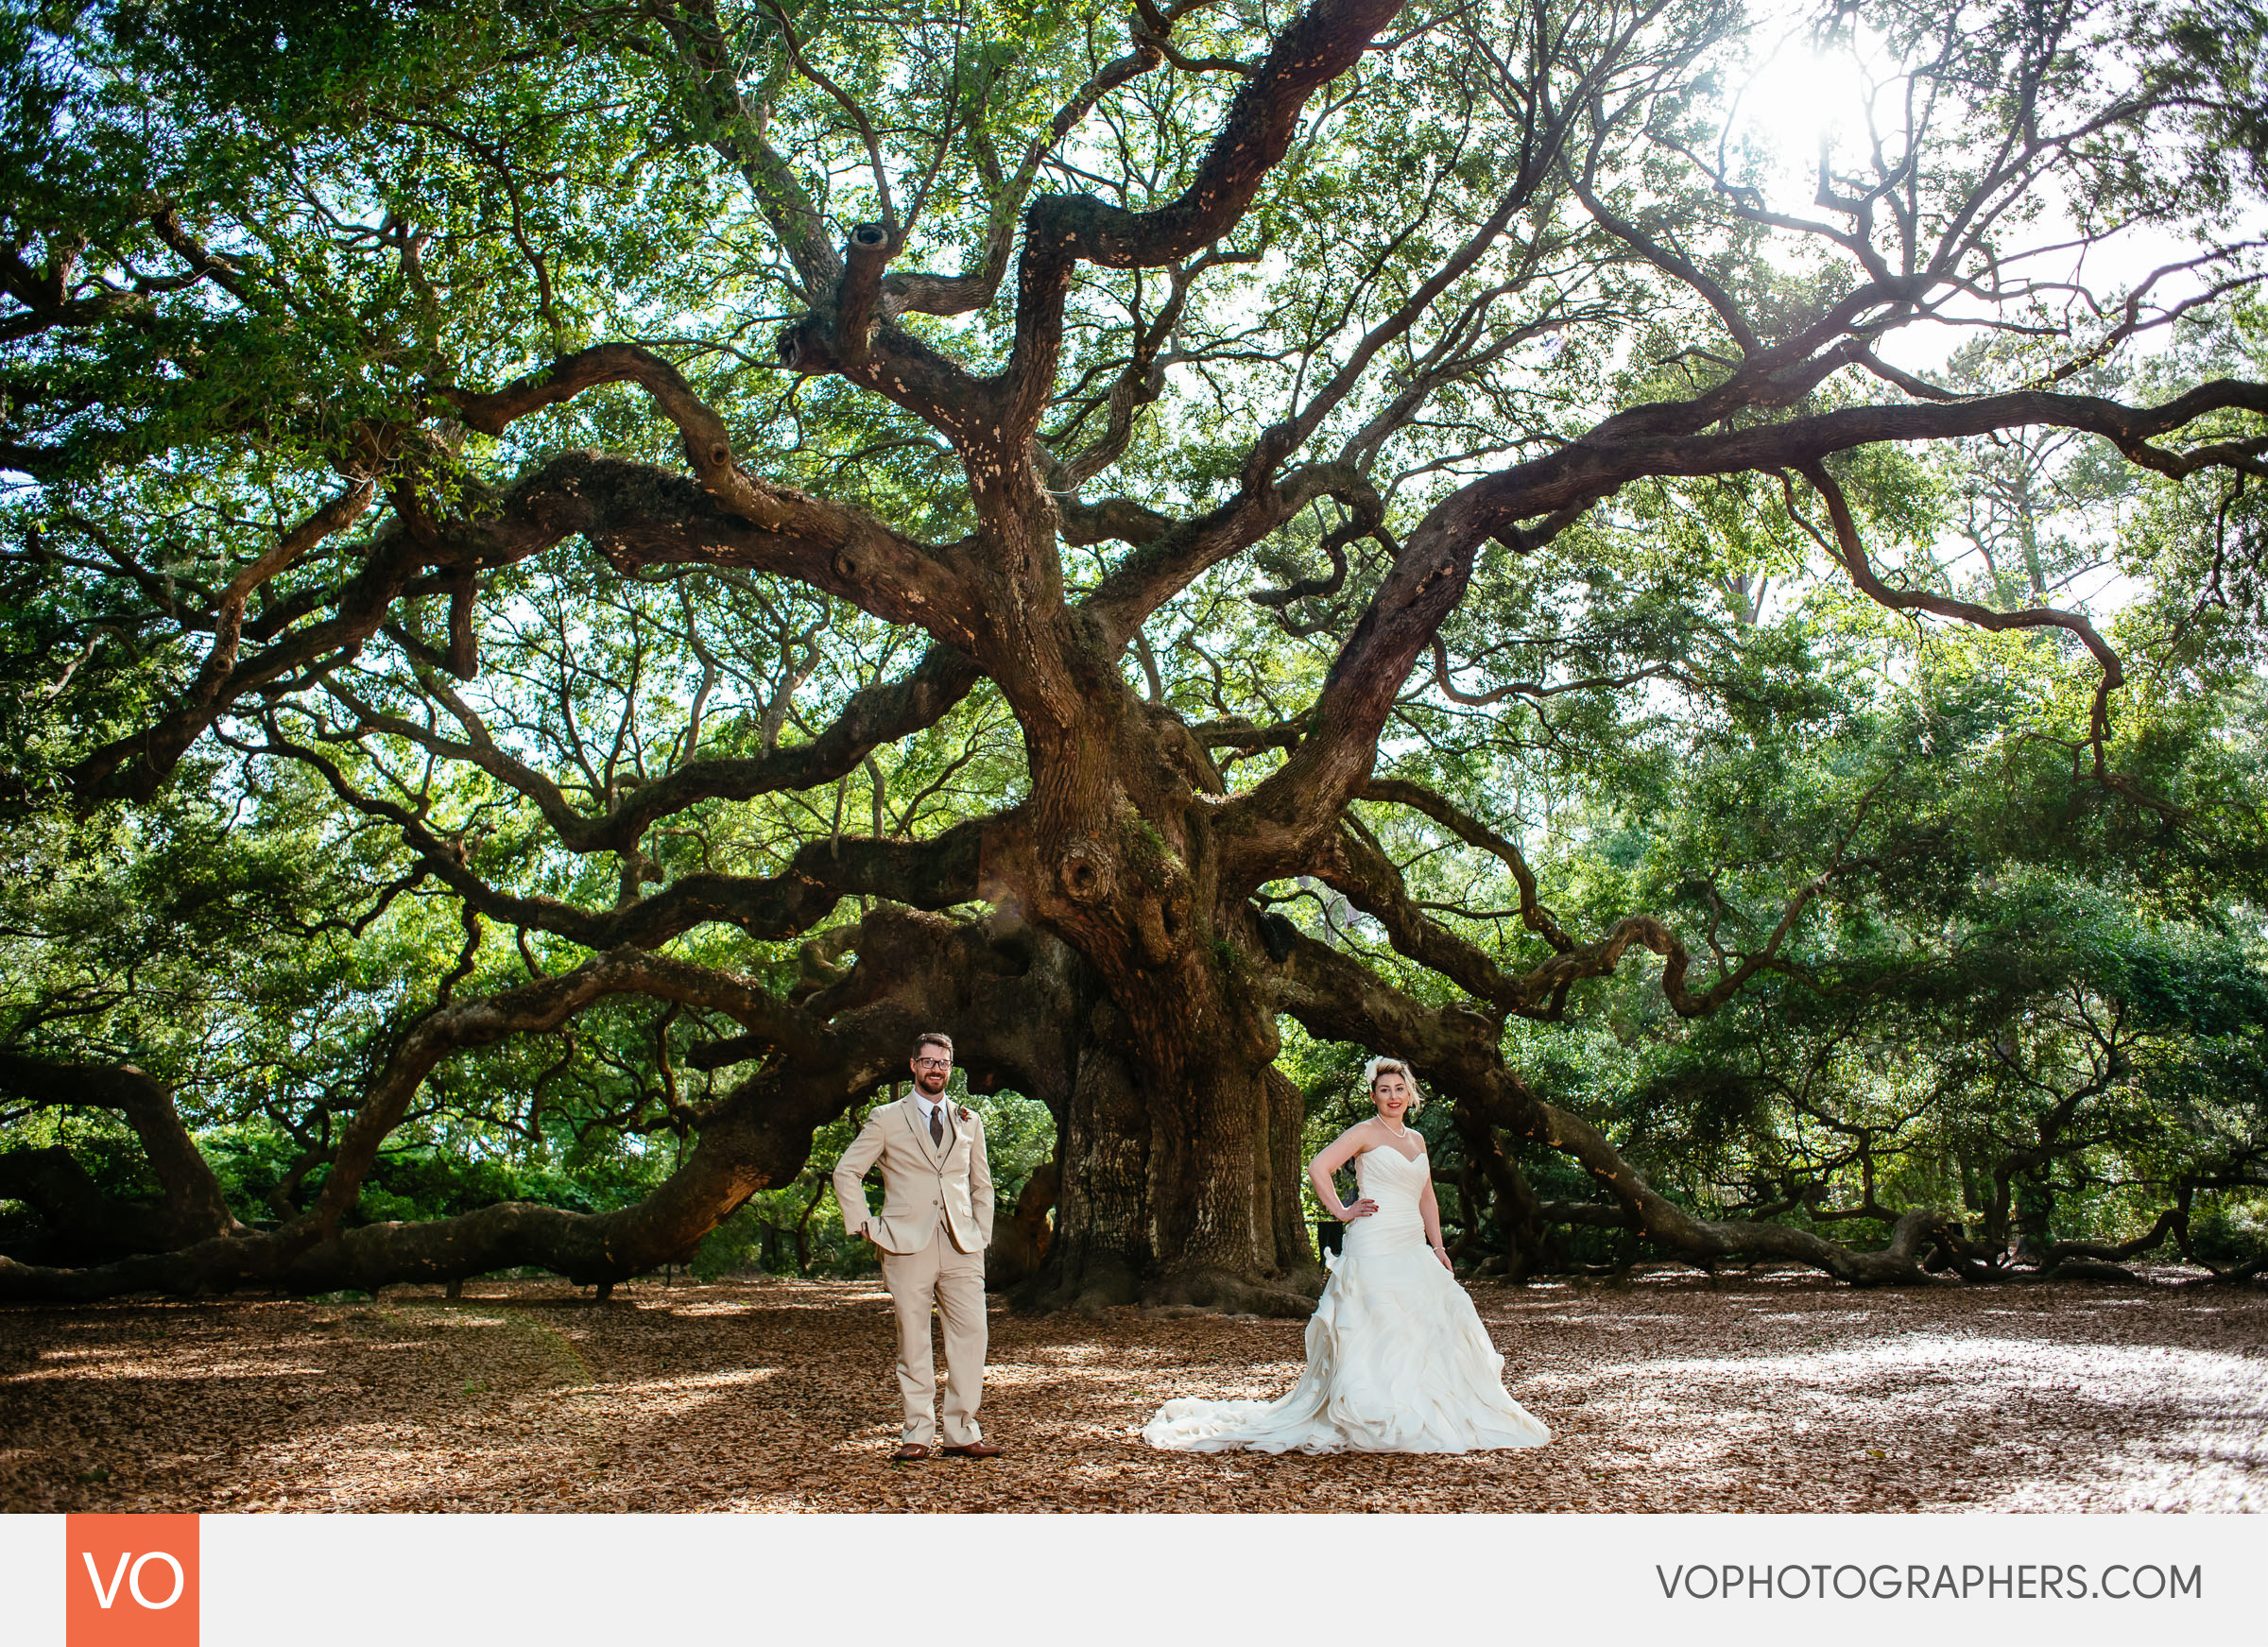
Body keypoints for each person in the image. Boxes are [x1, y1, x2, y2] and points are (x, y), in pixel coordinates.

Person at [1141, 1056, 1550, 1454]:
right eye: (1384, 1090)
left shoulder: (1417, 1140)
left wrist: (1438, 1247)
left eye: (1399, 1089)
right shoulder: (1365, 1133)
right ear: (1374, 1095)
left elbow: (1426, 1196)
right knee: (1374, 1322)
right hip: (1373, 1241)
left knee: (1422, 1326)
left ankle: (1413, 1406)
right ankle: (1367, 1409)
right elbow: (1319, 1166)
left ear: (1410, 1095)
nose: (1393, 1096)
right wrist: (1341, 1211)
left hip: (1411, 1245)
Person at [832, 1032, 1002, 1461]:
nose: (935, 1069)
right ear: (913, 1066)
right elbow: (846, 1172)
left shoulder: (970, 1121)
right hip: (907, 1246)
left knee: (972, 1338)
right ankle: (917, 1433)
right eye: (927, 1062)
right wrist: (867, 1226)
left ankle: (962, 1432)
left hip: (963, 1246)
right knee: (914, 1343)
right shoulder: (887, 1117)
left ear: (950, 1067)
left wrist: (981, 1233)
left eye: (942, 1063)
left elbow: (982, 1184)